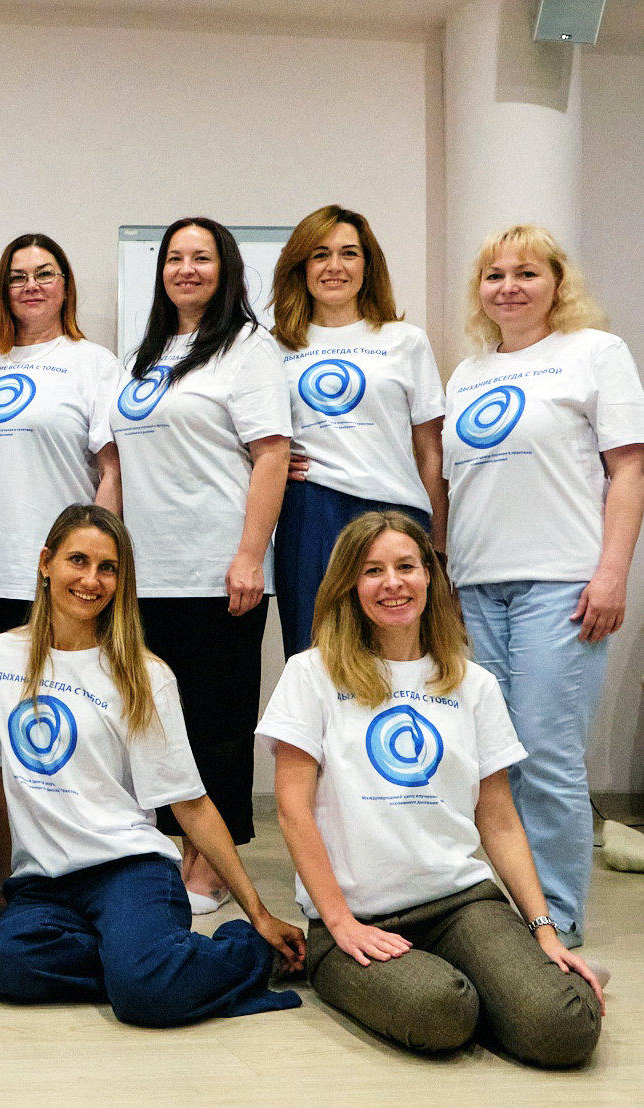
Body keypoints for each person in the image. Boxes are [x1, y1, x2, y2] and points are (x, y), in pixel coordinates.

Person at [261, 510, 603, 1064]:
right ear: (349, 584)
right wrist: (341, 923)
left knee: (563, 1028)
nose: (392, 583)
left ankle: (510, 989)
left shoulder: (473, 683)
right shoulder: (311, 674)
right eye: (372, 570)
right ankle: (476, 991)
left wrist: (543, 931)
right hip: (358, 918)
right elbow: (292, 812)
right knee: (442, 1012)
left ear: (429, 576)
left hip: (462, 904)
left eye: (406, 567)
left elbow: (499, 819)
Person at [0, 505, 304, 1026]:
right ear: (45, 563)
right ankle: (140, 959)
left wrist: (258, 913)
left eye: (108, 568)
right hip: (45, 882)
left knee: (144, 997)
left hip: (129, 869)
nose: (91, 580)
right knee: (7, 964)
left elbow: (190, 803)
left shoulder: (144, 675)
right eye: (77, 560)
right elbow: (0, 778)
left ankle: (241, 951)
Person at [442, 225, 644, 948]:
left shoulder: (594, 353)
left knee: (547, 756)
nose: (509, 287)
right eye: (494, 274)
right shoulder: (467, 374)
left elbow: (628, 470)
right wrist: (445, 578)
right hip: (476, 584)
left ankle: (557, 919)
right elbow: (454, 486)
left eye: (526, 272)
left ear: (558, 283)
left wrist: (611, 572)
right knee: (496, 760)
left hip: (561, 583)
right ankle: (518, 908)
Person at [106, 217, 291, 912]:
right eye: (175, 258)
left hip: (216, 568)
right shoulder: (143, 354)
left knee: (216, 723)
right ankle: (170, 849)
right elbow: (118, 462)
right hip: (144, 573)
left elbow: (271, 453)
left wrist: (249, 555)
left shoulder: (248, 347)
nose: (186, 269)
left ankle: (212, 864)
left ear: (226, 269)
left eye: (201, 257)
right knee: (155, 723)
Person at [269, 205, 447, 658]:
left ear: (368, 265)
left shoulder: (405, 340)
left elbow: (431, 452)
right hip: (311, 512)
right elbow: (250, 435)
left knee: (399, 653)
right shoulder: (272, 346)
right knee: (314, 654)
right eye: (320, 254)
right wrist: (268, 464)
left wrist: (441, 545)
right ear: (300, 267)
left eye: (349, 253)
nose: (335, 266)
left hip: (398, 513)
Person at [0, 233, 119, 646]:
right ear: (3, 290)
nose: (31, 286)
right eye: (17, 277)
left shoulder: (94, 363)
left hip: (64, 568)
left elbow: (113, 472)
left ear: (65, 286)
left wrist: (94, 561)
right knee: (3, 681)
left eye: (44, 274)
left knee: (63, 679)